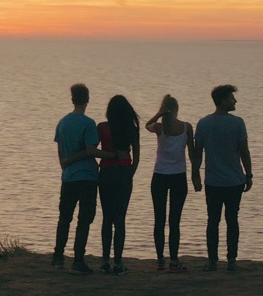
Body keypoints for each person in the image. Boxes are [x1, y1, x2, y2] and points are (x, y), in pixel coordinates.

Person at [192, 84, 252, 272]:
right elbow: (244, 151)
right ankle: (231, 260)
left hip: (213, 181)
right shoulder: (238, 123)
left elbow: (198, 152)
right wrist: (248, 174)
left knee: (213, 220)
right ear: (223, 101)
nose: (235, 101)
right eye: (232, 98)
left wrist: (195, 174)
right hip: (234, 180)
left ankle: (212, 261)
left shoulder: (203, 123)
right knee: (232, 219)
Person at [53, 83, 107, 275]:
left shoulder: (62, 122)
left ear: (72, 99)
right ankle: (78, 260)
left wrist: (65, 164)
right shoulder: (88, 124)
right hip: (87, 177)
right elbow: (91, 151)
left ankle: (58, 256)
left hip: (68, 177)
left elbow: (60, 151)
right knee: (84, 219)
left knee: (64, 217)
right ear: (88, 99)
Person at [145, 94, 197, 272]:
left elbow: (147, 125)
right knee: (174, 221)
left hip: (159, 176)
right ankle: (173, 261)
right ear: (177, 109)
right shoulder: (186, 127)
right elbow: (192, 154)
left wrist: (158, 114)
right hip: (178, 177)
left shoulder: (160, 127)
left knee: (159, 219)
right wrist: (195, 175)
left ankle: (160, 260)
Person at [96, 95, 140, 276]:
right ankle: (118, 262)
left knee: (107, 217)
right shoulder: (131, 129)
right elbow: (136, 157)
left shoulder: (102, 128)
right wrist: (130, 172)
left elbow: (94, 149)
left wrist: (108, 156)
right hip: (124, 172)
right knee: (120, 219)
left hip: (105, 173)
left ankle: (105, 260)